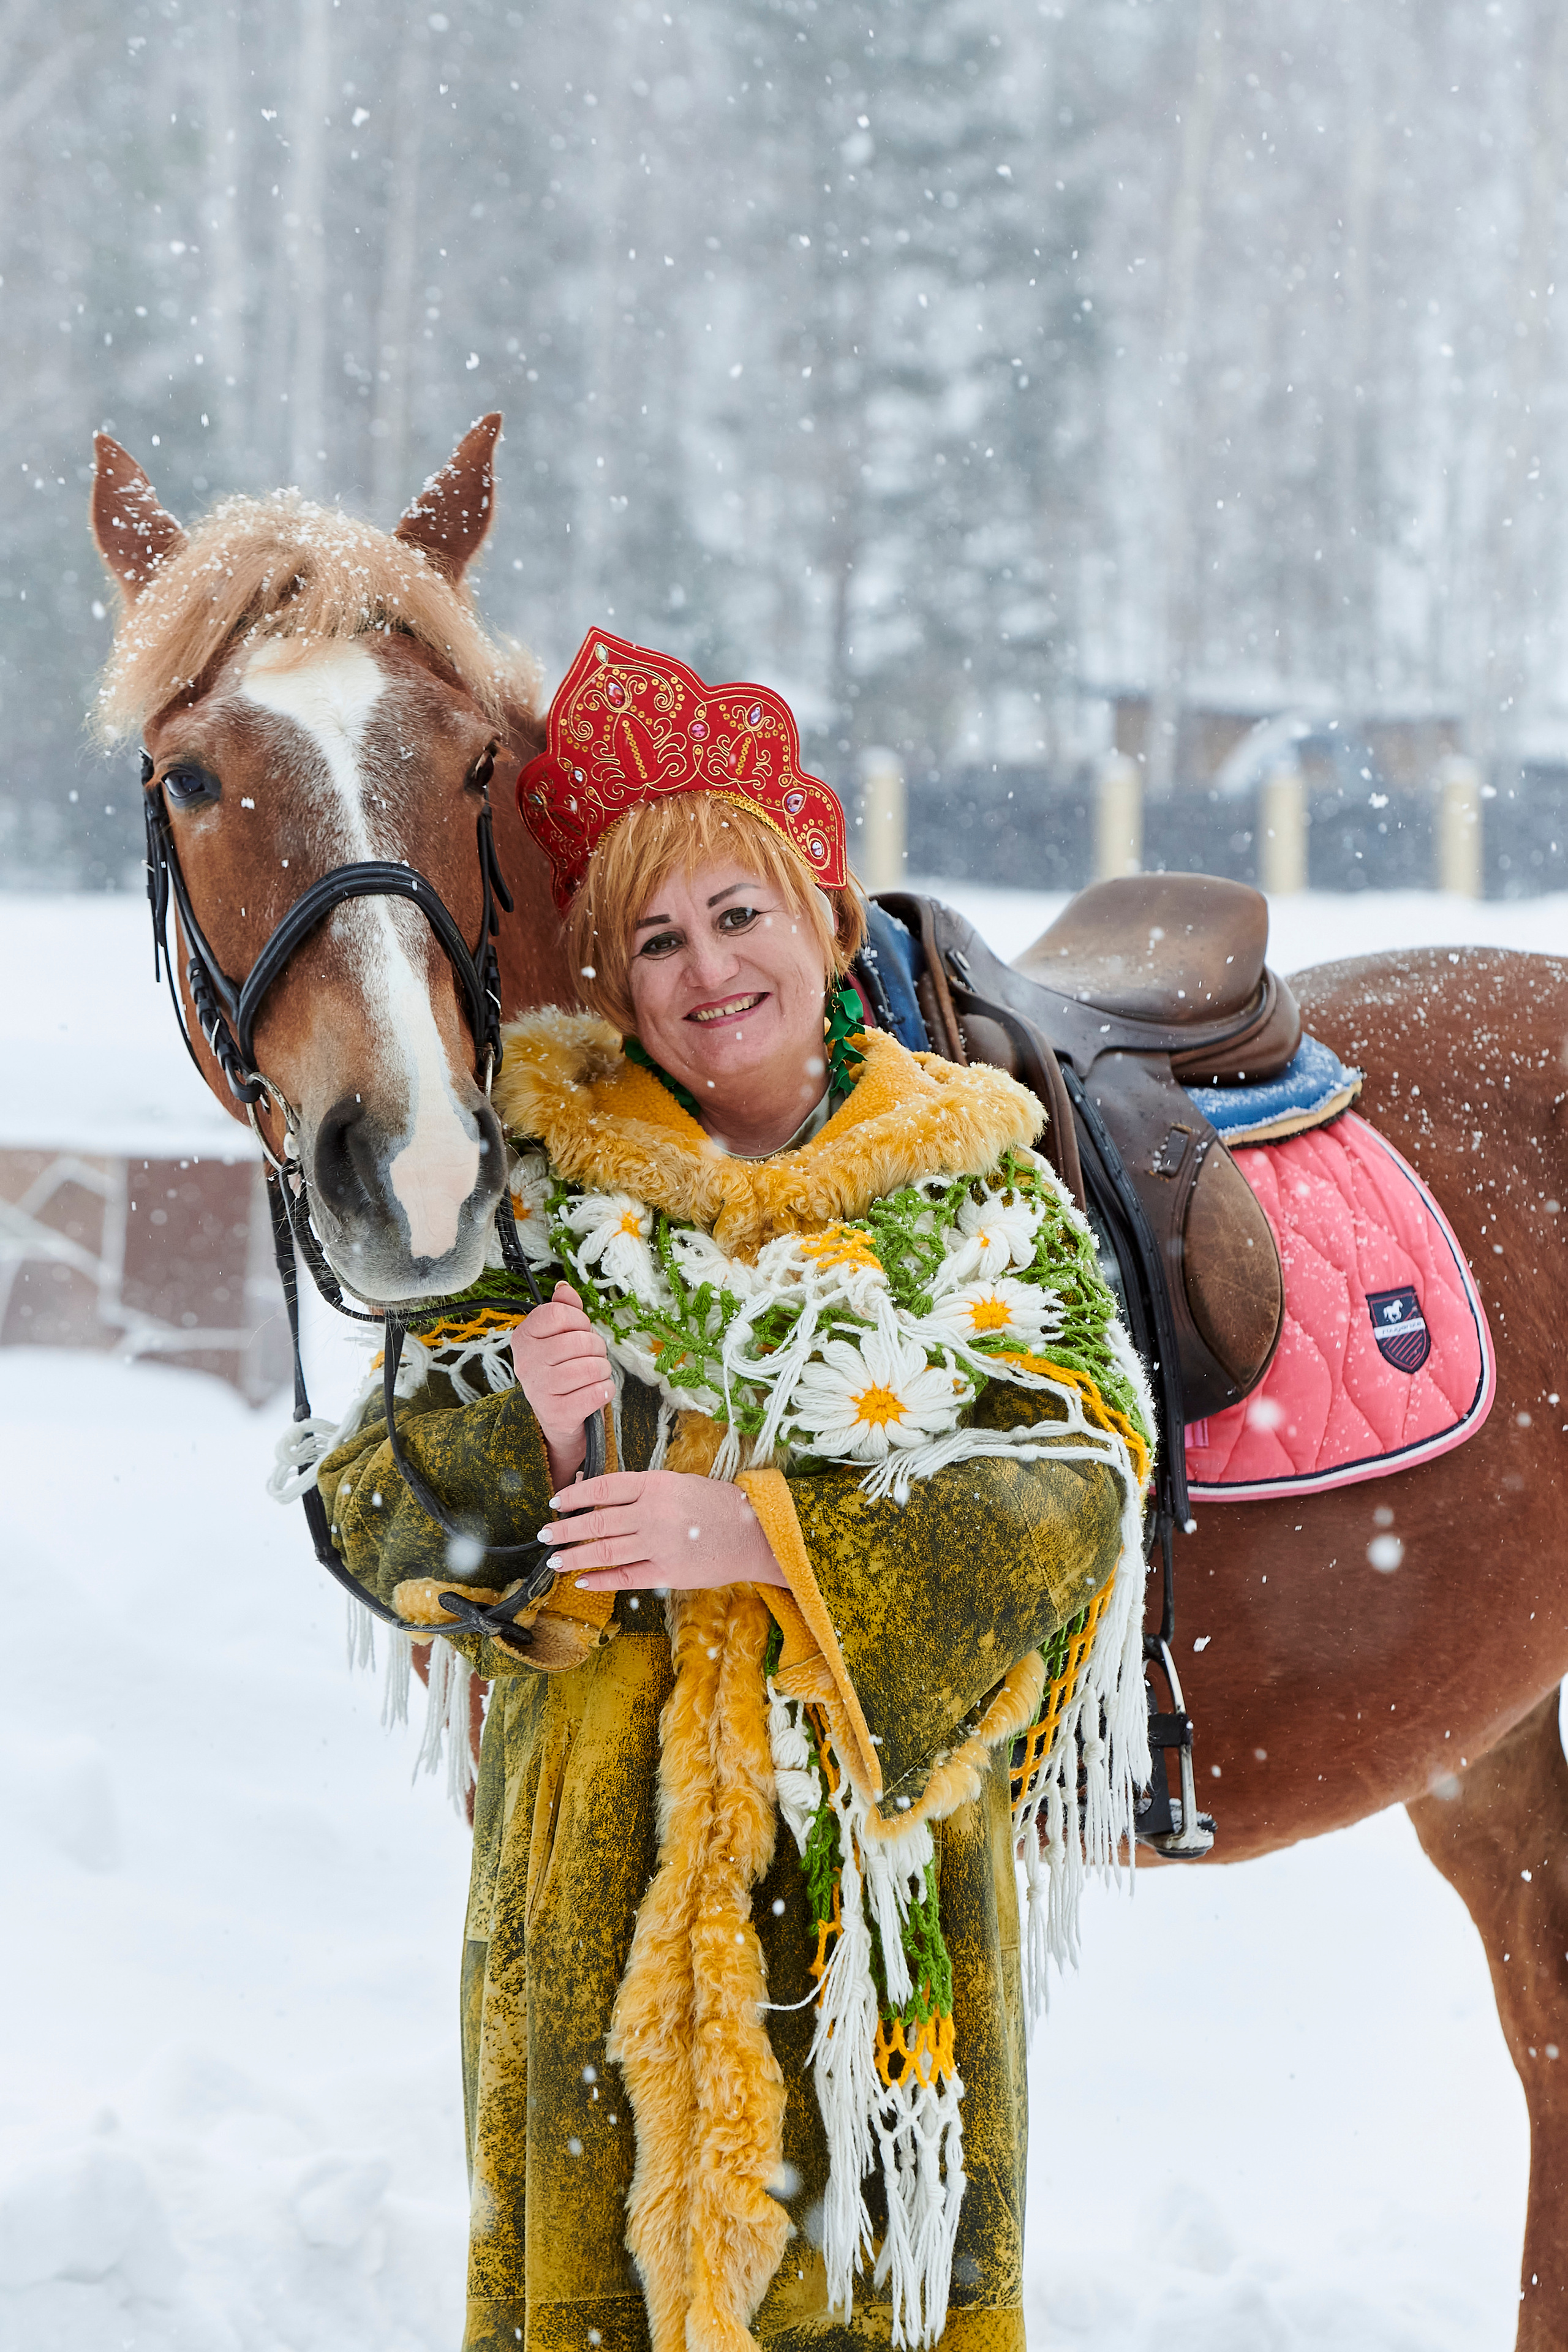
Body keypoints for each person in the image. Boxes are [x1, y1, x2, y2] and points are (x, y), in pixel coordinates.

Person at [317, 629, 1153, 2352]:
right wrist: (534, 1447)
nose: (706, 970)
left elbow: (1076, 1485)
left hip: (876, 1928)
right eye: (655, 941)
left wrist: (761, 1534)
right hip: (593, 1908)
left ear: (826, 924)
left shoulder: (976, 1196)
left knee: (867, 2294)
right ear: (616, 988)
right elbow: (366, 1500)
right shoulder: (538, 1200)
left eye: (737, 913)